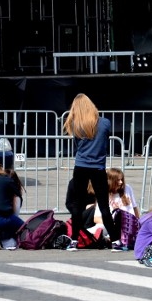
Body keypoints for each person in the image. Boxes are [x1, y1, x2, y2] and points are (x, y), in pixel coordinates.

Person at [63, 93, 120, 251]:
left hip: (80, 166)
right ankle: (115, 241)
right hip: (98, 167)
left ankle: (74, 240)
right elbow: (105, 140)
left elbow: (76, 145)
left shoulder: (75, 124)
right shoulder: (105, 123)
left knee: (77, 204)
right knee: (103, 205)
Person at [91, 167, 140, 250]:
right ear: (110, 181)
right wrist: (111, 223)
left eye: (121, 180)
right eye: (117, 180)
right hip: (111, 225)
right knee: (99, 227)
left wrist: (137, 221)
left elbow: (135, 209)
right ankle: (93, 238)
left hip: (128, 224)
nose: (121, 182)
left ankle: (107, 240)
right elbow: (96, 218)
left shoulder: (127, 188)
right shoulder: (103, 193)